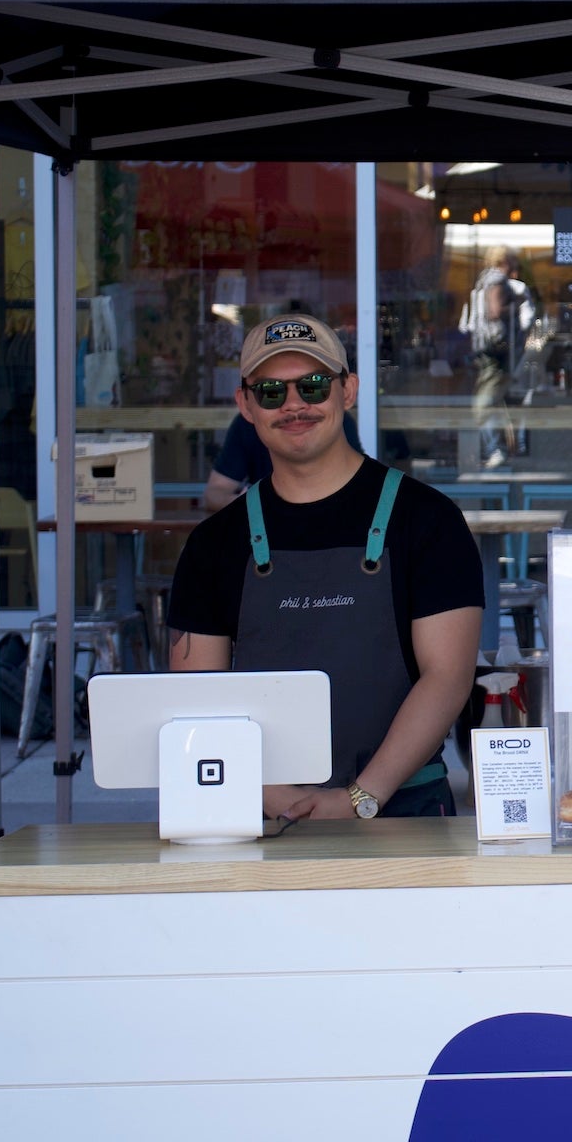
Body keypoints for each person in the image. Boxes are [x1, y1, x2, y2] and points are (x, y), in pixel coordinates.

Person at [169, 314, 483, 820]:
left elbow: (447, 677)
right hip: (253, 812)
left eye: (313, 386)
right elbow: (199, 698)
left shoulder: (428, 521)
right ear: (245, 405)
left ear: (348, 391)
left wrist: (362, 796)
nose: (294, 404)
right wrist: (274, 796)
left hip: (405, 812)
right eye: (271, 391)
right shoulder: (212, 544)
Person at [464, 247, 539, 467]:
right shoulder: (497, 280)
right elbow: (495, 311)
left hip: (488, 350)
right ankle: (494, 449)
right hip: (497, 350)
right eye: (513, 264)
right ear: (504, 262)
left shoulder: (484, 279)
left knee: (493, 401)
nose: (515, 270)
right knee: (485, 404)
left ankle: (500, 447)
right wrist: (515, 306)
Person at [204, 407, 361, 510]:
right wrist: (245, 504)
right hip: (265, 539)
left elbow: (362, 488)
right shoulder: (250, 422)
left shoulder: (335, 420)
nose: (293, 403)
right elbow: (214, 493)